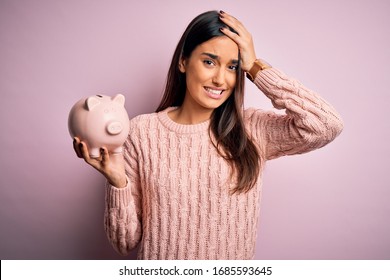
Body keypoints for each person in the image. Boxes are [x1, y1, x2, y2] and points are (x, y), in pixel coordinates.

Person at [73, 10, 343, 259]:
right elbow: (125, 242)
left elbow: (326, 124)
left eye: (232, 67)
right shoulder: (142, 132)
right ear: (183, 62)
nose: (220, 79)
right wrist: (117, 180)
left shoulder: (251, 129)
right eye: (209, 61)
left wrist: (255, 68)